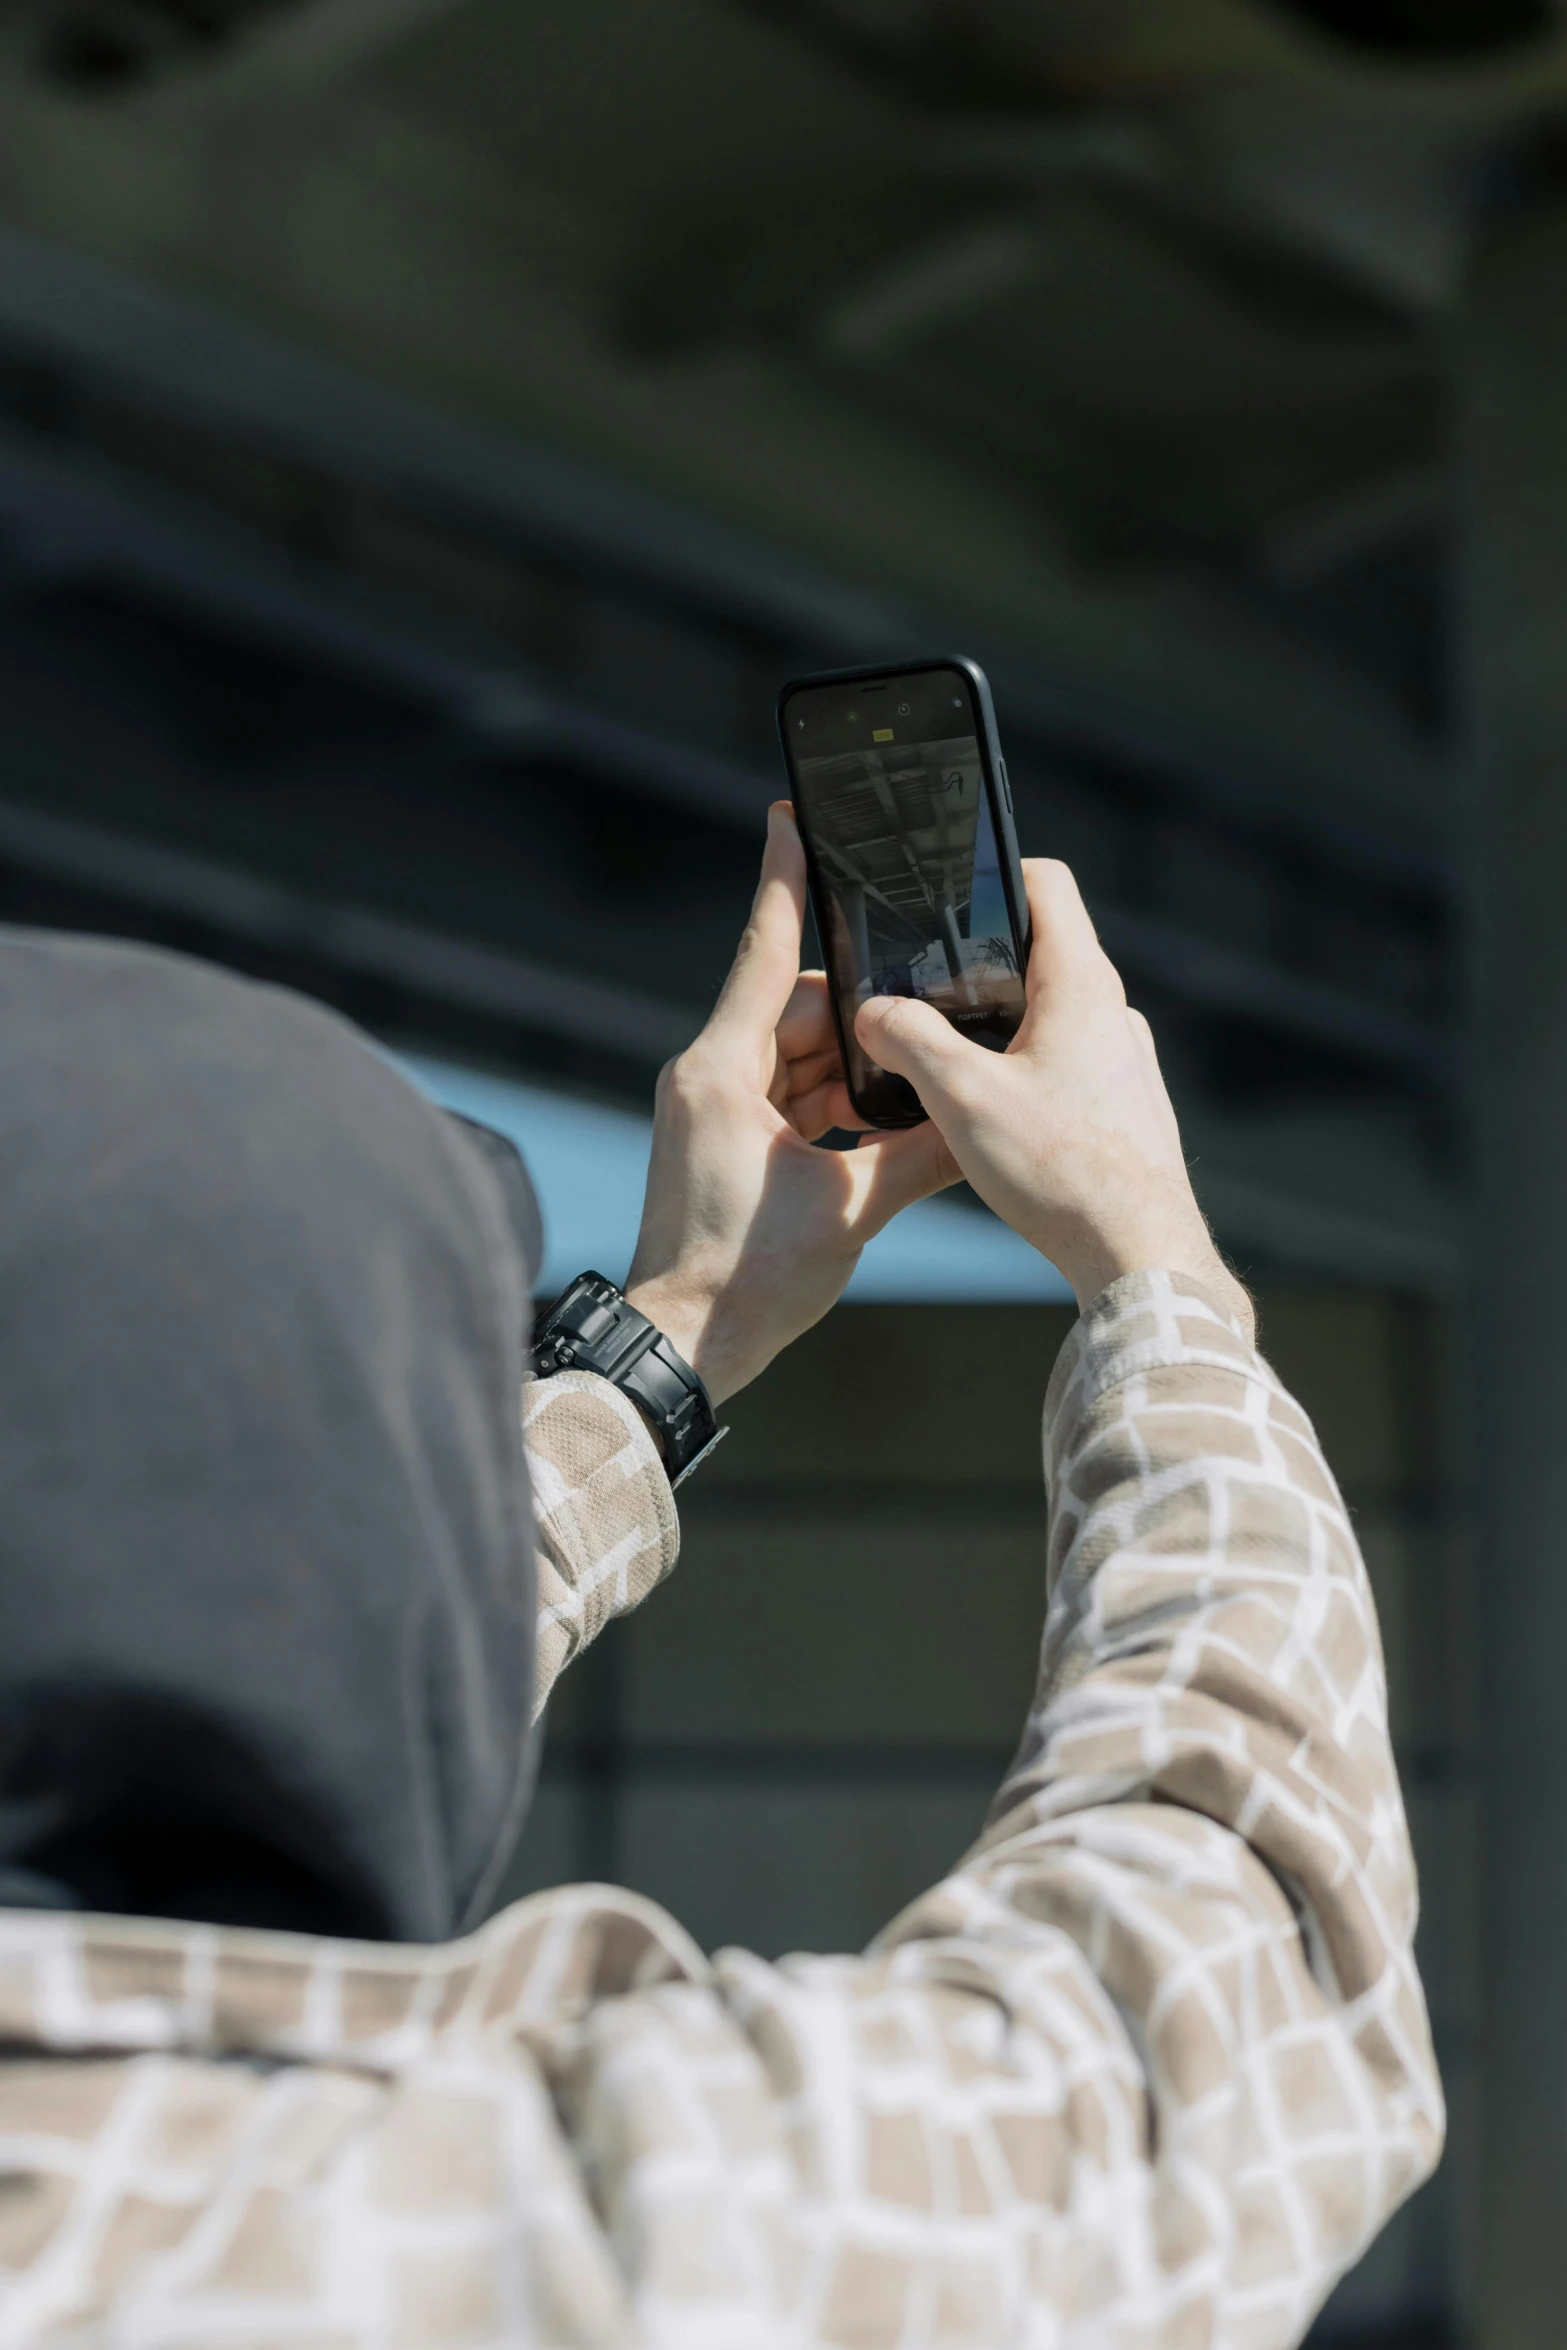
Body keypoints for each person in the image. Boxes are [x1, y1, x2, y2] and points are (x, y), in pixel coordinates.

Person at [0, 804, 1442, 2347]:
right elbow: (1198, 2024)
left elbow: (334, 1646)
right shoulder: (483, 2246)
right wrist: (1153, 1259)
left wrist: (679, 1325)